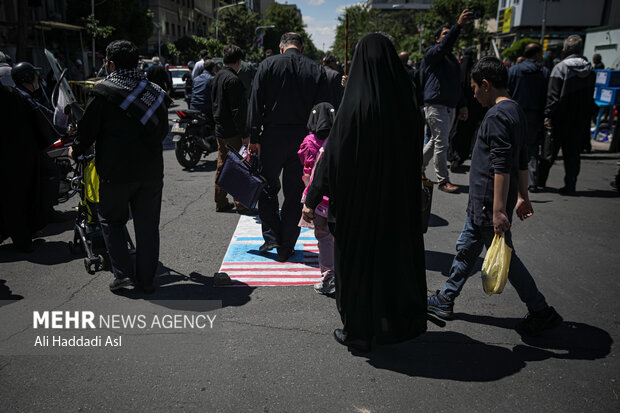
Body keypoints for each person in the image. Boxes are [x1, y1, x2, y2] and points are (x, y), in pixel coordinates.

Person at [303, 33, 427, 352]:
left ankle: (358, 331)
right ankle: (395, 324)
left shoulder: (353, 106)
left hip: (357, 206)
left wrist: (312, 197)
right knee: (391, 263)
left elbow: (332, 160)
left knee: (356, 267)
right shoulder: (407, 102)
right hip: (396, 204)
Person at [427, 57, 563, 336]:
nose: (474, 94)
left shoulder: (498, 115)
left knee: (505, 258)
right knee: (467, 248)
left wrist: (500, 209)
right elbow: (521, 159)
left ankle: (541, 310)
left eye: (475, 88)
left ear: (486, 85)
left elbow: (502, 164)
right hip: (485, 202)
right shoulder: (515, 111)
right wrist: (522, 195)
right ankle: (446, 298)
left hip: (489, 202)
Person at [69, 40, 171, 292]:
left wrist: (75, 150)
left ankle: (124, 277)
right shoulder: (154, 93)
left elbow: (87, 131)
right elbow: (162, 131)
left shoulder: (103, 91)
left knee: (112, 220)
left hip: (115, 173)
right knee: (147, 226)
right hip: (150, 172)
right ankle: (147, 280)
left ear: (111, 63)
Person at [247, 32, 329, 262]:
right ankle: (286, 246)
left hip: (272, 135)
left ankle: (271, 234)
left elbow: (255, 102)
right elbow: (323, 108)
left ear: (282, 47)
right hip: (303, 139)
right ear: (300, 49)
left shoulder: (267, 65)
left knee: (265, 186)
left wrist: (253, 136)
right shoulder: (315, 68)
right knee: (294, 194)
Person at [0, 84, 59, 252]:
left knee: (11, 200)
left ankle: (21, 237)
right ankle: (25, 235)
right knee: (20, 197)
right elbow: (35, 118)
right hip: (22, 154)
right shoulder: (12, 93)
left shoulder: (11, 93)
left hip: (12, 156)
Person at [420, 9, 473, 193]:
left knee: (436, 141)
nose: (448, 36)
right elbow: (445, 45)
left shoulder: (451, 60)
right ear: (437, 39)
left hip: (449, 106)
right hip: (436, 105)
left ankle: (417, 168)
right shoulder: (433, 54)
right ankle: (443, 180)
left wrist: (462, 104)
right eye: (445, 33)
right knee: (442, 143)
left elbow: (456, 86)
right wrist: (457, 26)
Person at [537, 35, 596, 195]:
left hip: (560, 118)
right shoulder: (589, 69)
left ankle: (539, 181)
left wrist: (548, 115)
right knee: (572, 154)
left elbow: (553, 95)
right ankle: (570, 185)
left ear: (565, 49)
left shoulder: (561, 68)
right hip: (579, 119)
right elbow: (591, 96)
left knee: (549, 152)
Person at [298, 102, 336, 295]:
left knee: (322, 235)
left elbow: (305, 166)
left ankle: (328, 273)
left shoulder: (308, 141)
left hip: (317, 195)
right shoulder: (337, 139)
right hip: (336, 196)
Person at [211, 45, 253, 214]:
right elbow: (238, 111)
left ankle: (220, 201)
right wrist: (245, 135)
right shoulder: (233, 80)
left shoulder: (218, 76)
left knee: (222, 165)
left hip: (220, 129)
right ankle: (241, 203)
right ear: (238, 61)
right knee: (238, 167)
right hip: (233, 131)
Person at [507, 43, 549, 192]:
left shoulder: (514, 70)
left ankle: (511, 179)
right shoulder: (543, 72)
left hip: (515, 114)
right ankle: (532, 181)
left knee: (512, 146)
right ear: (537, 55)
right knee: (532, 150)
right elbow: (547, 96)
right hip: (534, 116)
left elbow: (507, 92)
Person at [448, 47, 484, 172]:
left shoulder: (459, 70)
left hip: (459, 107)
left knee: (455, 132)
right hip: (474, 108)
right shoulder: (477, 71)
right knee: (467, 134)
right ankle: (460, 156)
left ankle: (453, 156)